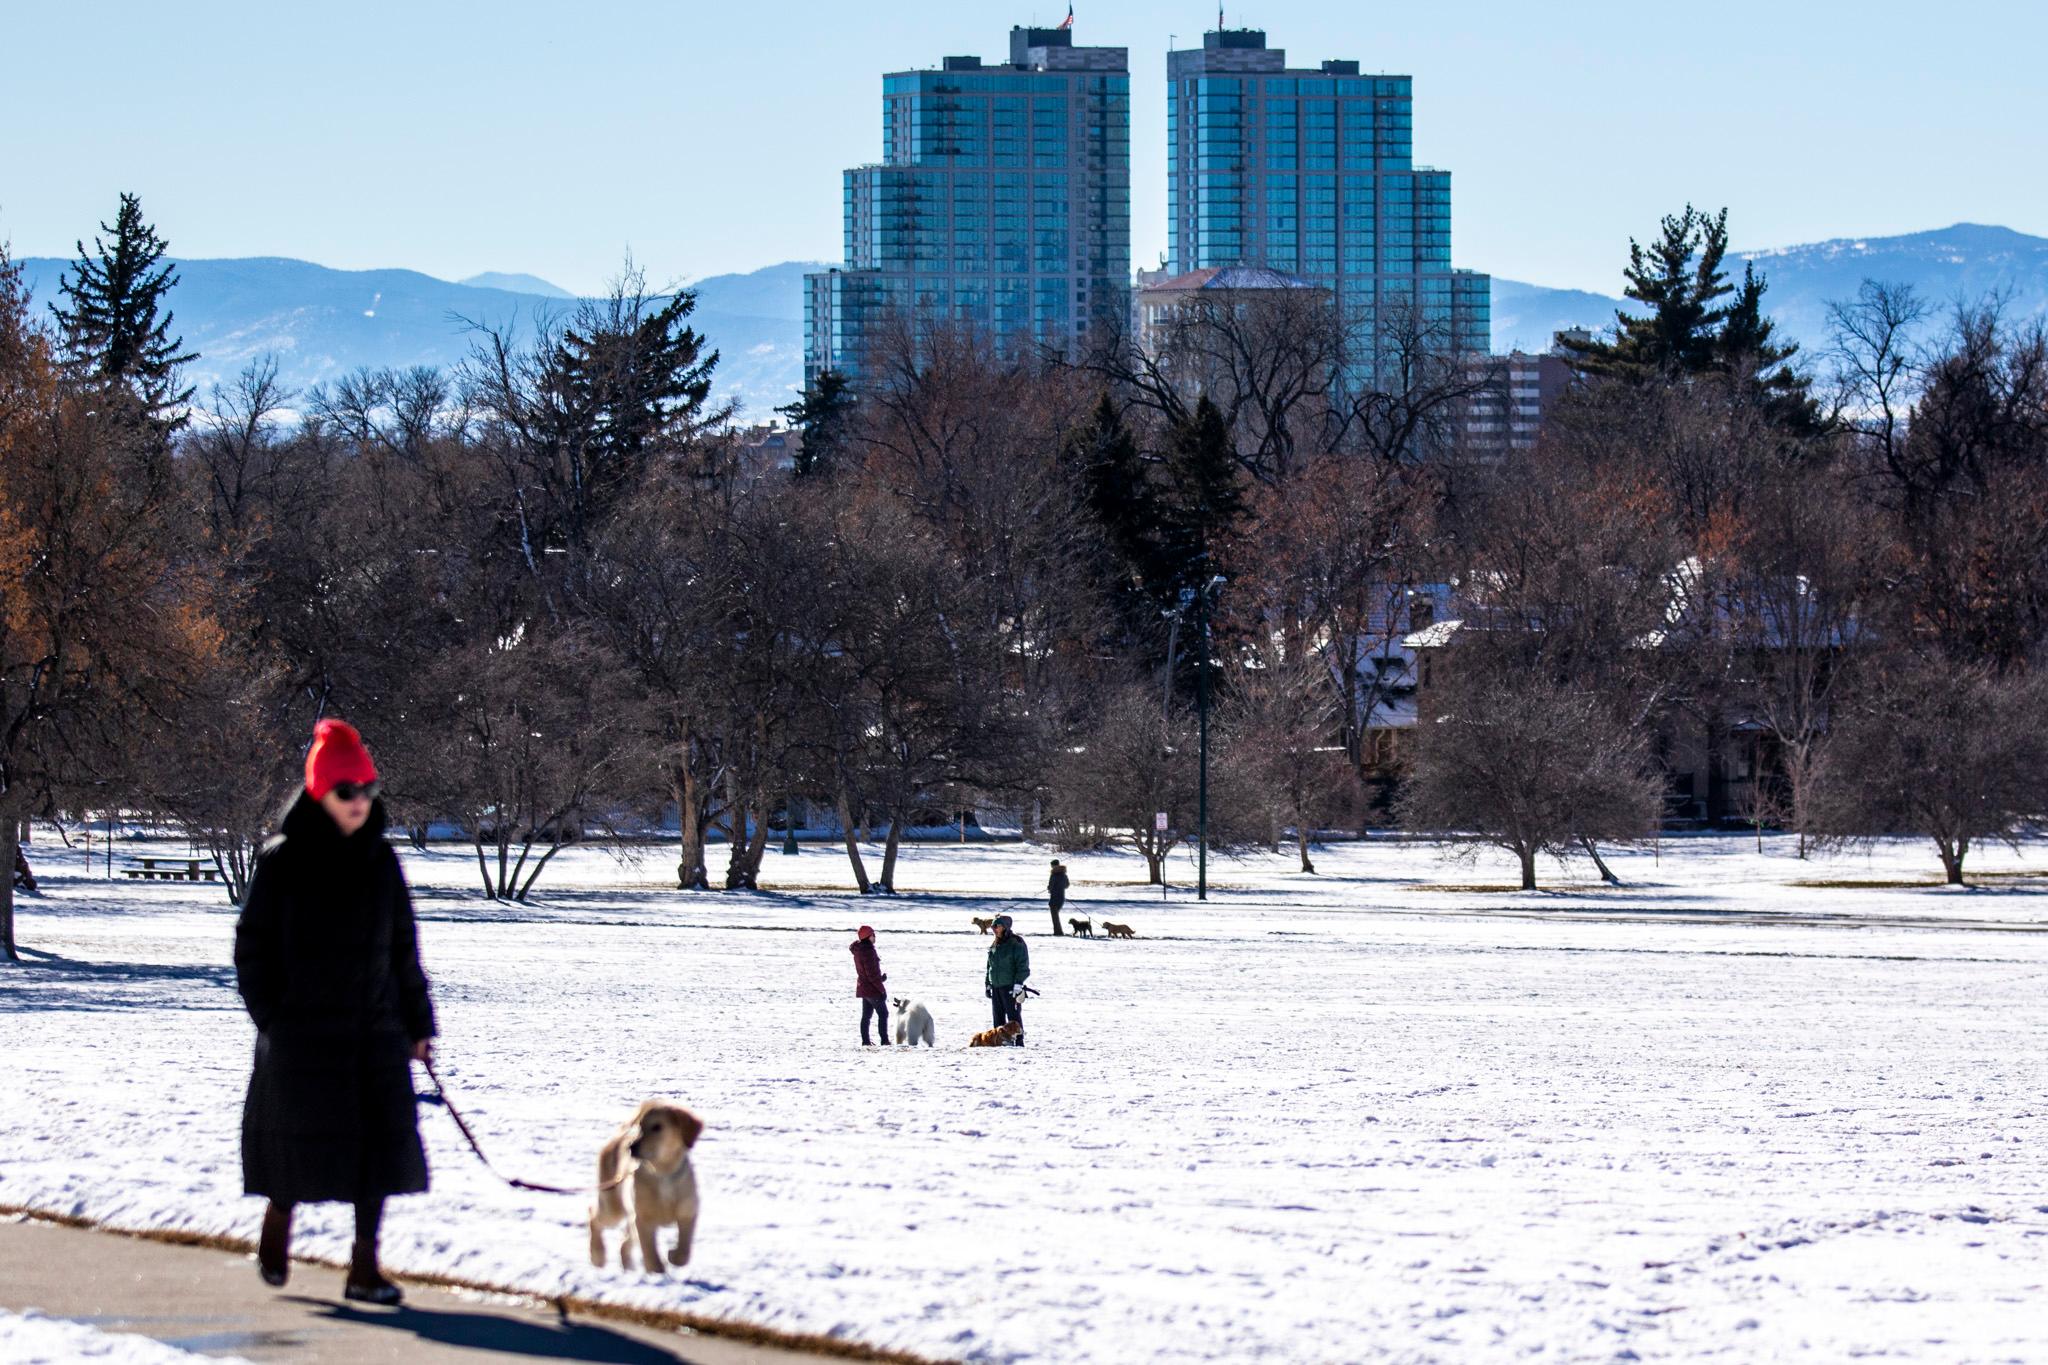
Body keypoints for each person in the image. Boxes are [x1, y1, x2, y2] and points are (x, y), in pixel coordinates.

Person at [234, 719, 436, 1305]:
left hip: (374, 1033)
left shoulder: (382, 863)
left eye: (367, 790)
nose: (359, 803)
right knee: (299, 1149)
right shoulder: (282, 862)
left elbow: (404, 950)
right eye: (347, 791)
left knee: (375, 1156)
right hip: (301, 1038)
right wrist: (273, 1017)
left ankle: (364, 1269)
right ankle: (278, 1221)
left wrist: (418, 1026)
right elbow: (252, 950)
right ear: (320, 792)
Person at [984, 913, 1030, 1046]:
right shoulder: (995, 944)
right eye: (993, 926)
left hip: (1010, 986)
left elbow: (1023, 965)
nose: (994, 929)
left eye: (997, 926)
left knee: (1013, 1018)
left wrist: (1018, 983)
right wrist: (988, 983)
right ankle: (999, 1042)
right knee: (997, 1018)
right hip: (996, 986)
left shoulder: (1016, 942)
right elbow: (990, 966)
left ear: (1005, 927)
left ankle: (1018, 1043)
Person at [851, 924, 889, 1045]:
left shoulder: (859, 950)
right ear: (868, 936)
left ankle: (866, 1041)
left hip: (864, 987)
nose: (875, 936)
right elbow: (871, 974)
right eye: (873, 934)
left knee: (866, 1016)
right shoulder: (868, 952)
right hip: (872, 989)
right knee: (883, 1014)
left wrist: (880, 978)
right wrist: (882, 990)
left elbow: (867, 973)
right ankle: (884, 1041)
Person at [1046, 859, 1069, 936]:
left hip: (1054, 898)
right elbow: (1067, 885)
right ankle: (1058, 931)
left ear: (1055, 865)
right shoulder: (1064, 874)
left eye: (1052, 865)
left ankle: (1058, 932)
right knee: (1056, 915)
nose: (1051, 867)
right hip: (1061, 897)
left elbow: (1051, 885)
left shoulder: (1054, 875)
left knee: (1055, 916)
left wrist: (1049, 888)